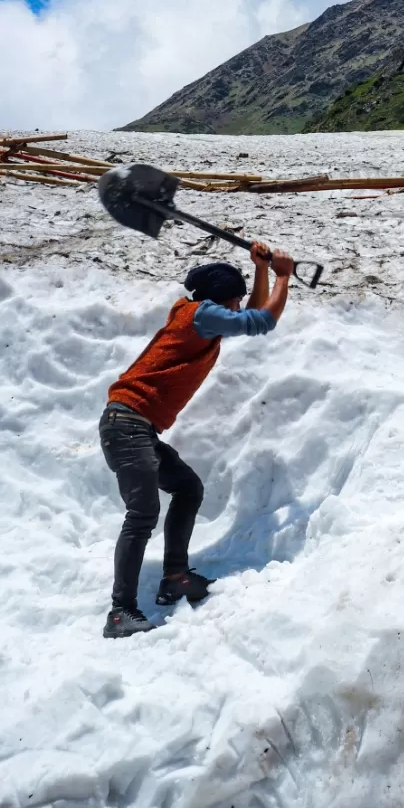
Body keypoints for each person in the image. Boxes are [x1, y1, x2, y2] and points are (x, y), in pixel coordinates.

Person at [99, 241, 293, 638]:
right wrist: (283, 277)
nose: (238, 308)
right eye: (235, 300)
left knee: (187, 488)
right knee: (142, 514)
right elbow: (261, 321)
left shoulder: (200, 315)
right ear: (224, 300)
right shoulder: (200, 317)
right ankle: (120, 611)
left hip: (137, 425)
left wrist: (259, 270)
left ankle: (174, 576)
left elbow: (250, 313)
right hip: (127, 423)